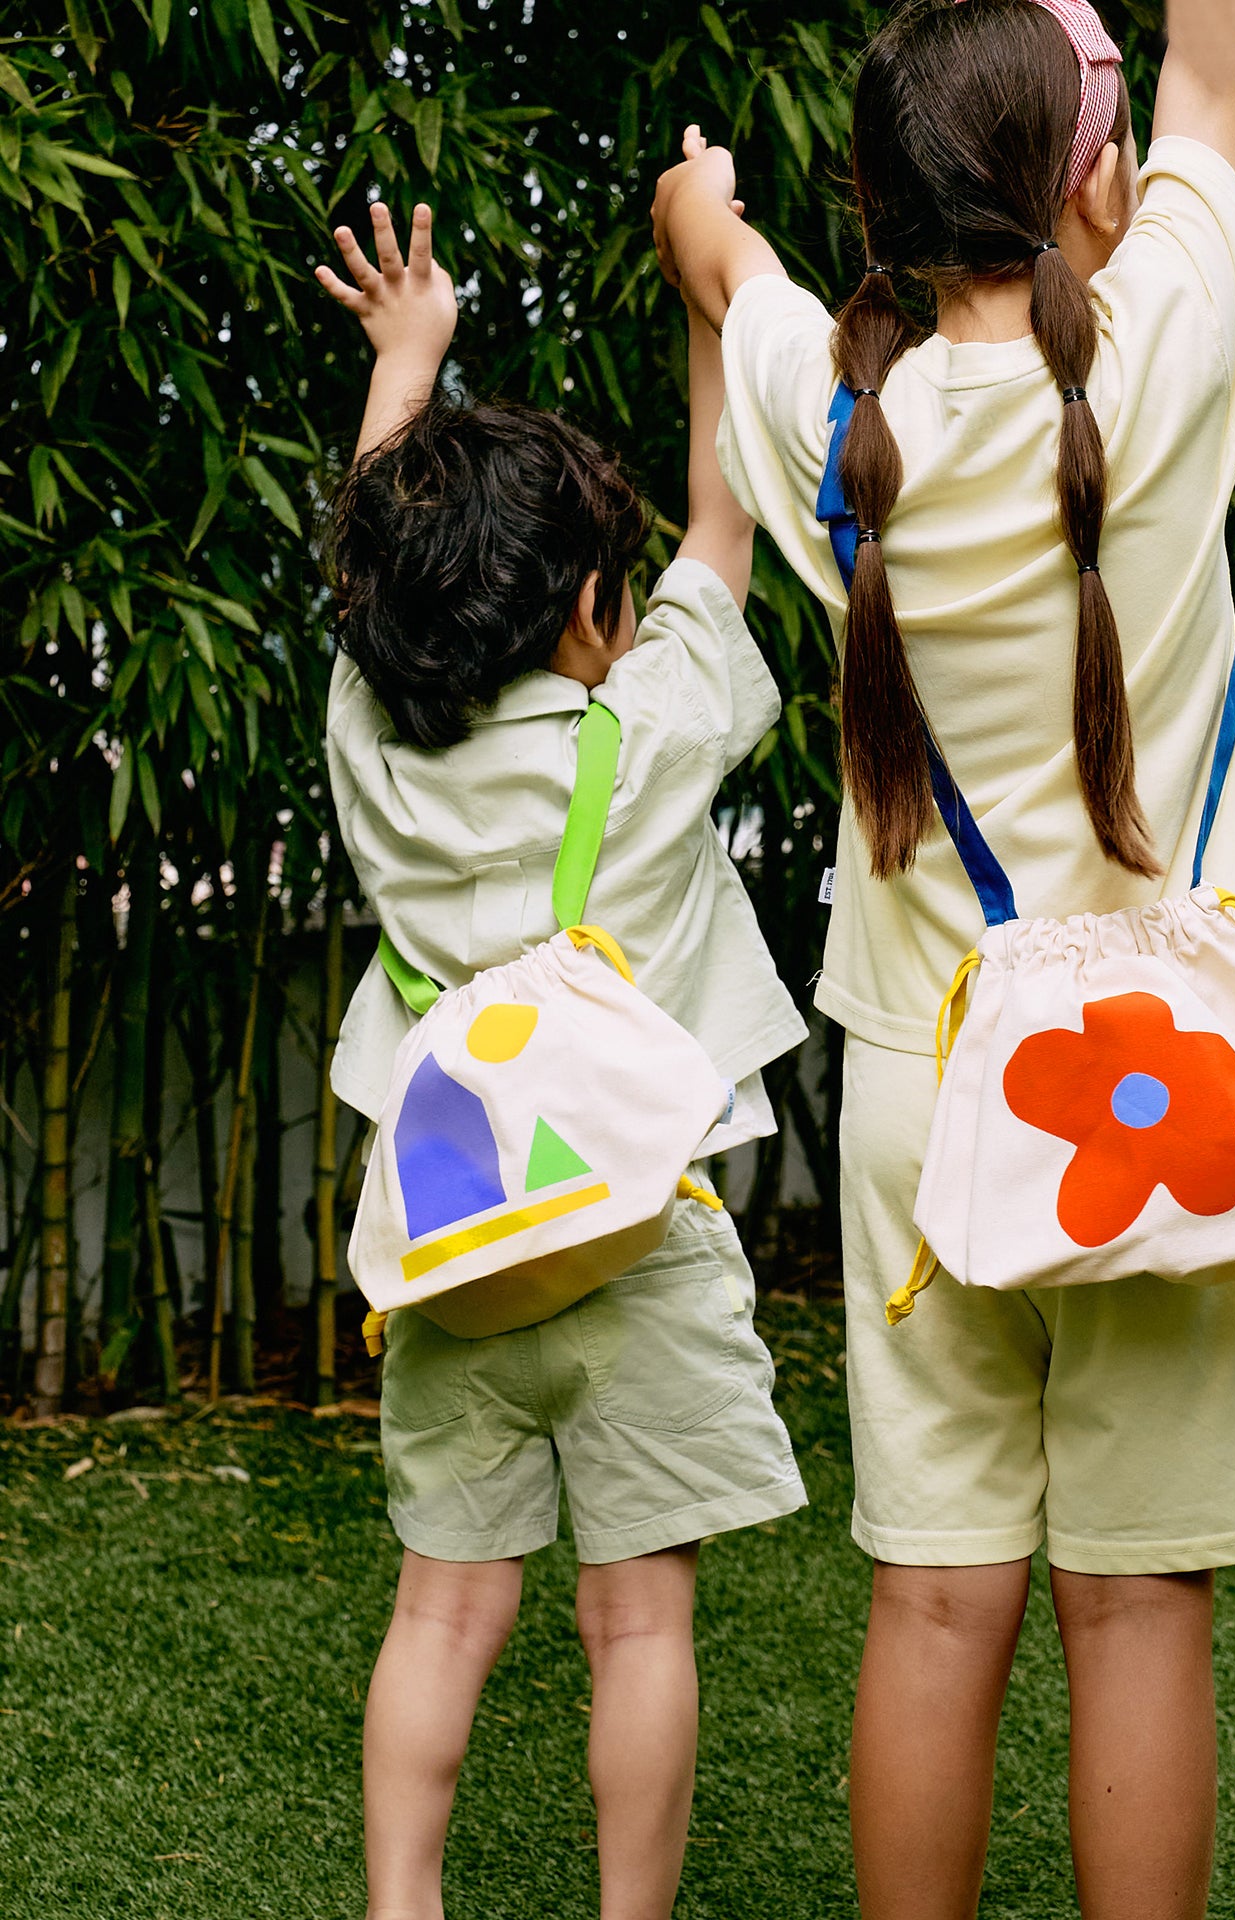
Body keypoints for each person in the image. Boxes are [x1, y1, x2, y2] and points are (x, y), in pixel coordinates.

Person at [654, 2, 1235, 1915]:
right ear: (1090, 186)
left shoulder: (834, 413)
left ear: (883, 205)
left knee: (939, 1603)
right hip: (1167, 1103)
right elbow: (1220, 66)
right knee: (1138, 1607)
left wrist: (697, 207)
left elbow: (726, 256)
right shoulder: (1173, 347)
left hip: (923, 1100)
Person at [315, 149, 809, 1920]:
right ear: (598, 612)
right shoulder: (648, 736)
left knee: (442, 1608)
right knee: (639, 1617)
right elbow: (728, 519)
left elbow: (373, 572)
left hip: (454, 1246)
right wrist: (712, 295)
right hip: (639, 1248)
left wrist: (405, 359)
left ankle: (401, 1908)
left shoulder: (370, 747)